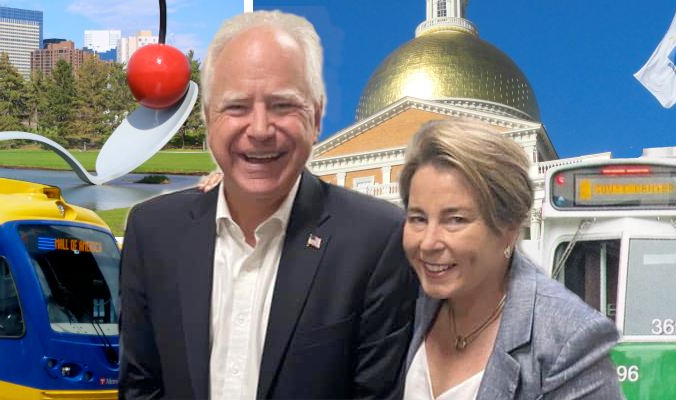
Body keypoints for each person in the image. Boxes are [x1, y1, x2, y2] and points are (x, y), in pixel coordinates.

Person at [118, 10, 417, 400]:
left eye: (282, 105)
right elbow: (141, 387)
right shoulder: (152, 232)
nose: (259, 130)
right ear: (209, 118)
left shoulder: (378, 241)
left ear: (318, 114)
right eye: (237, 107)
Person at [398, 118, 622, 400]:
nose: (428, 243)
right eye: (418, 218)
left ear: (508, 229)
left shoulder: (570, 340)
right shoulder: (404, 303)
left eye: (455, 220)